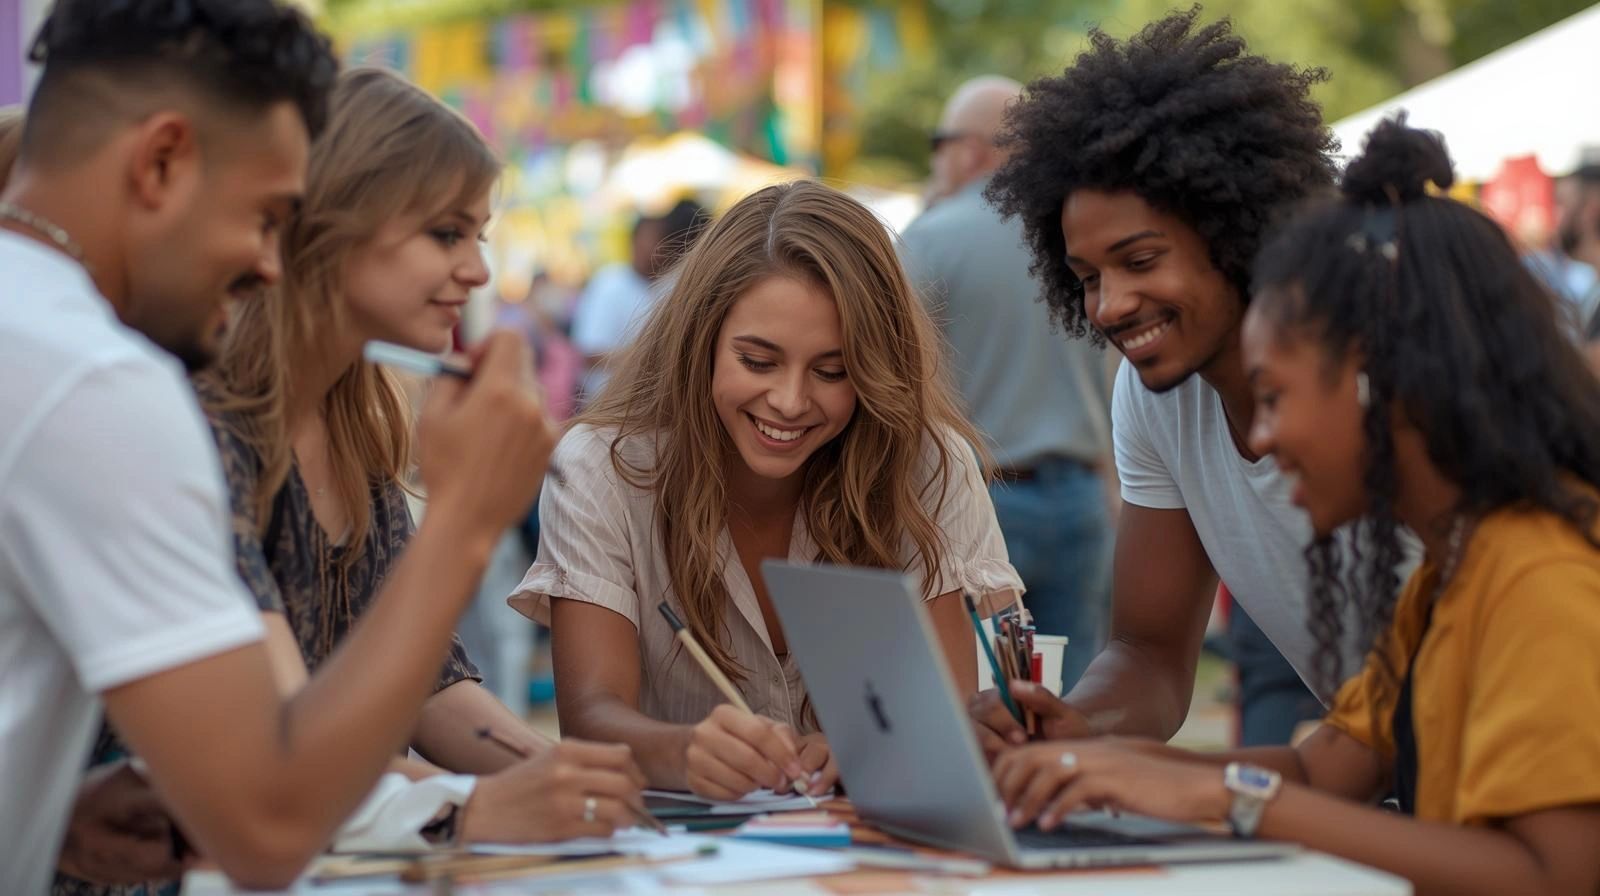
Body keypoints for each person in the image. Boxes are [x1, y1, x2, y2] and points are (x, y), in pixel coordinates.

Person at [56, 65, 649, 896]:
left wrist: (568, 782)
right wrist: (470, 806)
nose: (479, 271)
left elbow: (434, 689)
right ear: (330, 227)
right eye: (447, 234)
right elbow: (280, 752)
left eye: (480, 235)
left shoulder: (354, 420)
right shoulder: (202, 421)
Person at [989, 118, 1600, 896]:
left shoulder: (1541, 574)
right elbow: (1322, 769)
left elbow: (1559, 876)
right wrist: (1092, 762)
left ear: (1375, 379)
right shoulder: (1450, 577)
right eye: (1087, 276)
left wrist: (1230, 799)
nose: (1260, 437)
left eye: (1273, 397)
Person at [510, 180, 1022, 800]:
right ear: (702, 342)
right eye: (757, 362)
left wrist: (871, 751)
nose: (788, 401)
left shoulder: (927, 466)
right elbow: (591, 718)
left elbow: (948, 715)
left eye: (833, 372)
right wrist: (683, 751)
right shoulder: (605, 469)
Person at [972, 9, 1366, 749]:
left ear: (1235, 232)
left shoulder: (1381, 375)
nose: (1111, 305)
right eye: (1086, 277)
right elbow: (1149, 655)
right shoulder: (1153, 396)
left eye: (1141, 261)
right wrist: (1067, 729)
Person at [899, 75, 1113, 691]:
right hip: (1080, 497)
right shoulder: (1079, 234)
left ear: (970, 150)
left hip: (973, 504)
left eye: (940, 141)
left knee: (972, 702)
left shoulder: (930, 239)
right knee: (1069, 701)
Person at [571, 198, 707, 403]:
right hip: (604, 404)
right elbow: (590, 354)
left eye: (660, 240)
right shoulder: (610, 282)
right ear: (634, 241)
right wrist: (651, 357)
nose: (655, 248)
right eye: (648, 240)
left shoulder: (669, 287)